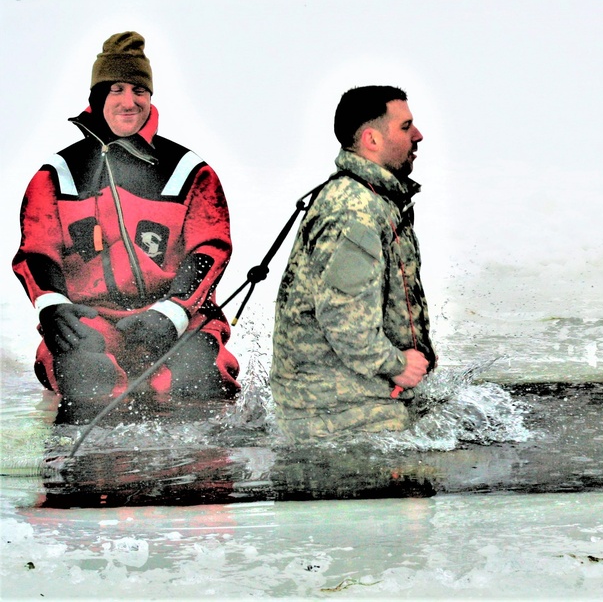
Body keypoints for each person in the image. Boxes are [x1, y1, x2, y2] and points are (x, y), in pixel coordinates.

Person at [12, 31, 240, 423]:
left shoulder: (189, 171)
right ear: (97, 97)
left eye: (139, 89)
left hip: (178, 320)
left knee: (197, 382)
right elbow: (36, 252)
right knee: (87, 381)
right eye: (116, 88)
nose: (129, 101)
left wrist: (172, 313)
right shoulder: (57, 175)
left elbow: (210, 250)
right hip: (91, 321)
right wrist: (52, 307)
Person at [270, 85, 436, 439]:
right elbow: (343, 317)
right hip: (340, 415)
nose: (418, 136)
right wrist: (397, 366)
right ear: (371, 139)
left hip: (358, 400)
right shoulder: (354, 209)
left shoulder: (374, 199)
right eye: (405, 127)